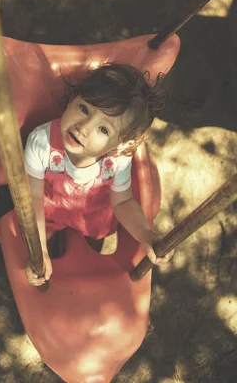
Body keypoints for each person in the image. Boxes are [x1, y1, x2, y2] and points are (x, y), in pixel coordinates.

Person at [24, 62, 173, 286]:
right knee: (41, 243)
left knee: (94, 240)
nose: (83, 127)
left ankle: (86, 242)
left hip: (92, 214)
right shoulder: (41, 142)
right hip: (50, 208)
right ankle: (49, 245)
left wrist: (146, 235)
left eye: (103, 130)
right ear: (73, 97)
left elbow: (122, 201)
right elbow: (32, 197)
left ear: (119, 144)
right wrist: (39, 250)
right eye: (84, 108)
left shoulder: (118, 159)